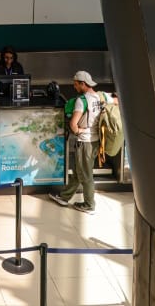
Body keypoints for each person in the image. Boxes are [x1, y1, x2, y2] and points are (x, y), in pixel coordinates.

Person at [53, 70, 101, 213]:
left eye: (76, 84)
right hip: (95, 141)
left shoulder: (81, 101)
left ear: (83, 84)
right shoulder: (98, 97)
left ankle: (89, 205)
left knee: (85, 175)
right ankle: (64, 197)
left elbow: (73, 125)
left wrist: (79, 130)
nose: (74, 87)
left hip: (84, 142)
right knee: (79, 171)